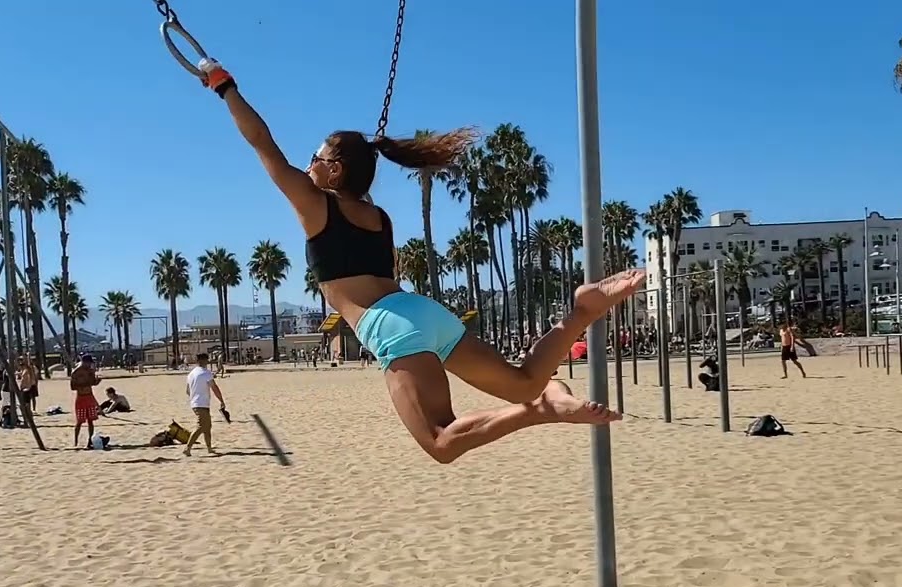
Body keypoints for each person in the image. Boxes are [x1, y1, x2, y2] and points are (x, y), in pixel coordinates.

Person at [195, 59, 642, 463]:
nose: (308, 165)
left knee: (441, 441)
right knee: (524, 381)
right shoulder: (378, 217)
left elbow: (262, 142)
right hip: (420, 310)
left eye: (316, 158)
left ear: (335, 171)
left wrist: (225, 86)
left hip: (389, 323)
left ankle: (543, 409)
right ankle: (581, 312)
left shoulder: (317, 204)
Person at [184, 352, 226, 456]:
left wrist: (194, 398)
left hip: (196, 403)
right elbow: (214, 388)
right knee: (202, 426)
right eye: (207, 360)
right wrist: (221, 400)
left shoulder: (191, 374)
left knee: (207, 426)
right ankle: (187, 448)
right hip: (201, 403)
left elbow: (187, 391)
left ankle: (209, 448)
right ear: (203, 360)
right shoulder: (206, 373)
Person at [70, 354, 102, 448]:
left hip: (89, 397)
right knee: (79, 421)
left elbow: (93, 383)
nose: (89, 365)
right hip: (81, 398)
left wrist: (97, 381)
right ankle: (76, 441)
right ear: (84, 362)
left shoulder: (90, 371)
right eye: (88, 363)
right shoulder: (76, 372)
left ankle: (90, 441)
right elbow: (73, 387)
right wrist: (85, 384)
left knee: (91, 421)